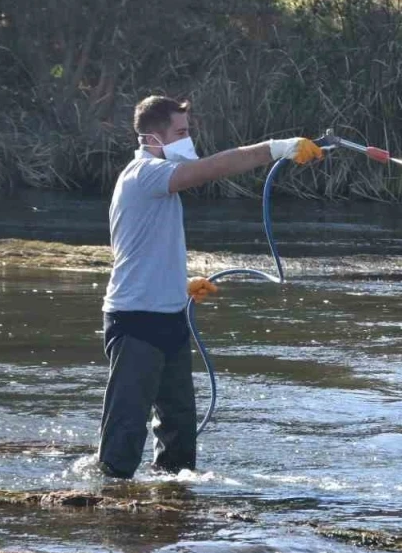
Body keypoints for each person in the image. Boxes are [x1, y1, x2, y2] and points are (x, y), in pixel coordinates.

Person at [97, 95, 323, 478]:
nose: (188, 140)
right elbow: (213, 168)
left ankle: (171, 511)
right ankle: (110, 507)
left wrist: (179, 284)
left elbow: (142, 246)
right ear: (153, 138)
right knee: (125, 432)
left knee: (179, 431)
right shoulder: (143, 174)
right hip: (134, 321)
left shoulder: (156, 182)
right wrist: (277, 149)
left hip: (170, 318)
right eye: (181, 132)